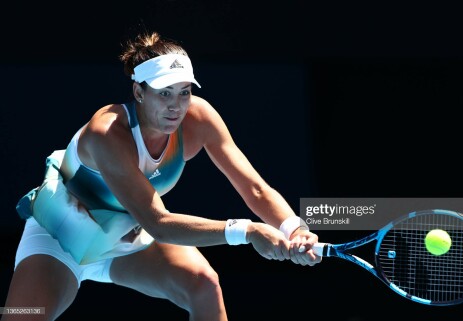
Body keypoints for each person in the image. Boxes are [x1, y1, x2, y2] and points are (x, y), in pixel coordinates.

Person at [1, 31, 321, 321]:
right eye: (164, 93)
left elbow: (255, 188)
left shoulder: (199, 119)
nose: (176, 106)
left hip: (127, 238)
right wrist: (248, 231)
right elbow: (159, 223)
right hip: (59, 241)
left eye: (184, 92)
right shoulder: (106, 133)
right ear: (139, 92)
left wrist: (295, 228)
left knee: (204, 285)